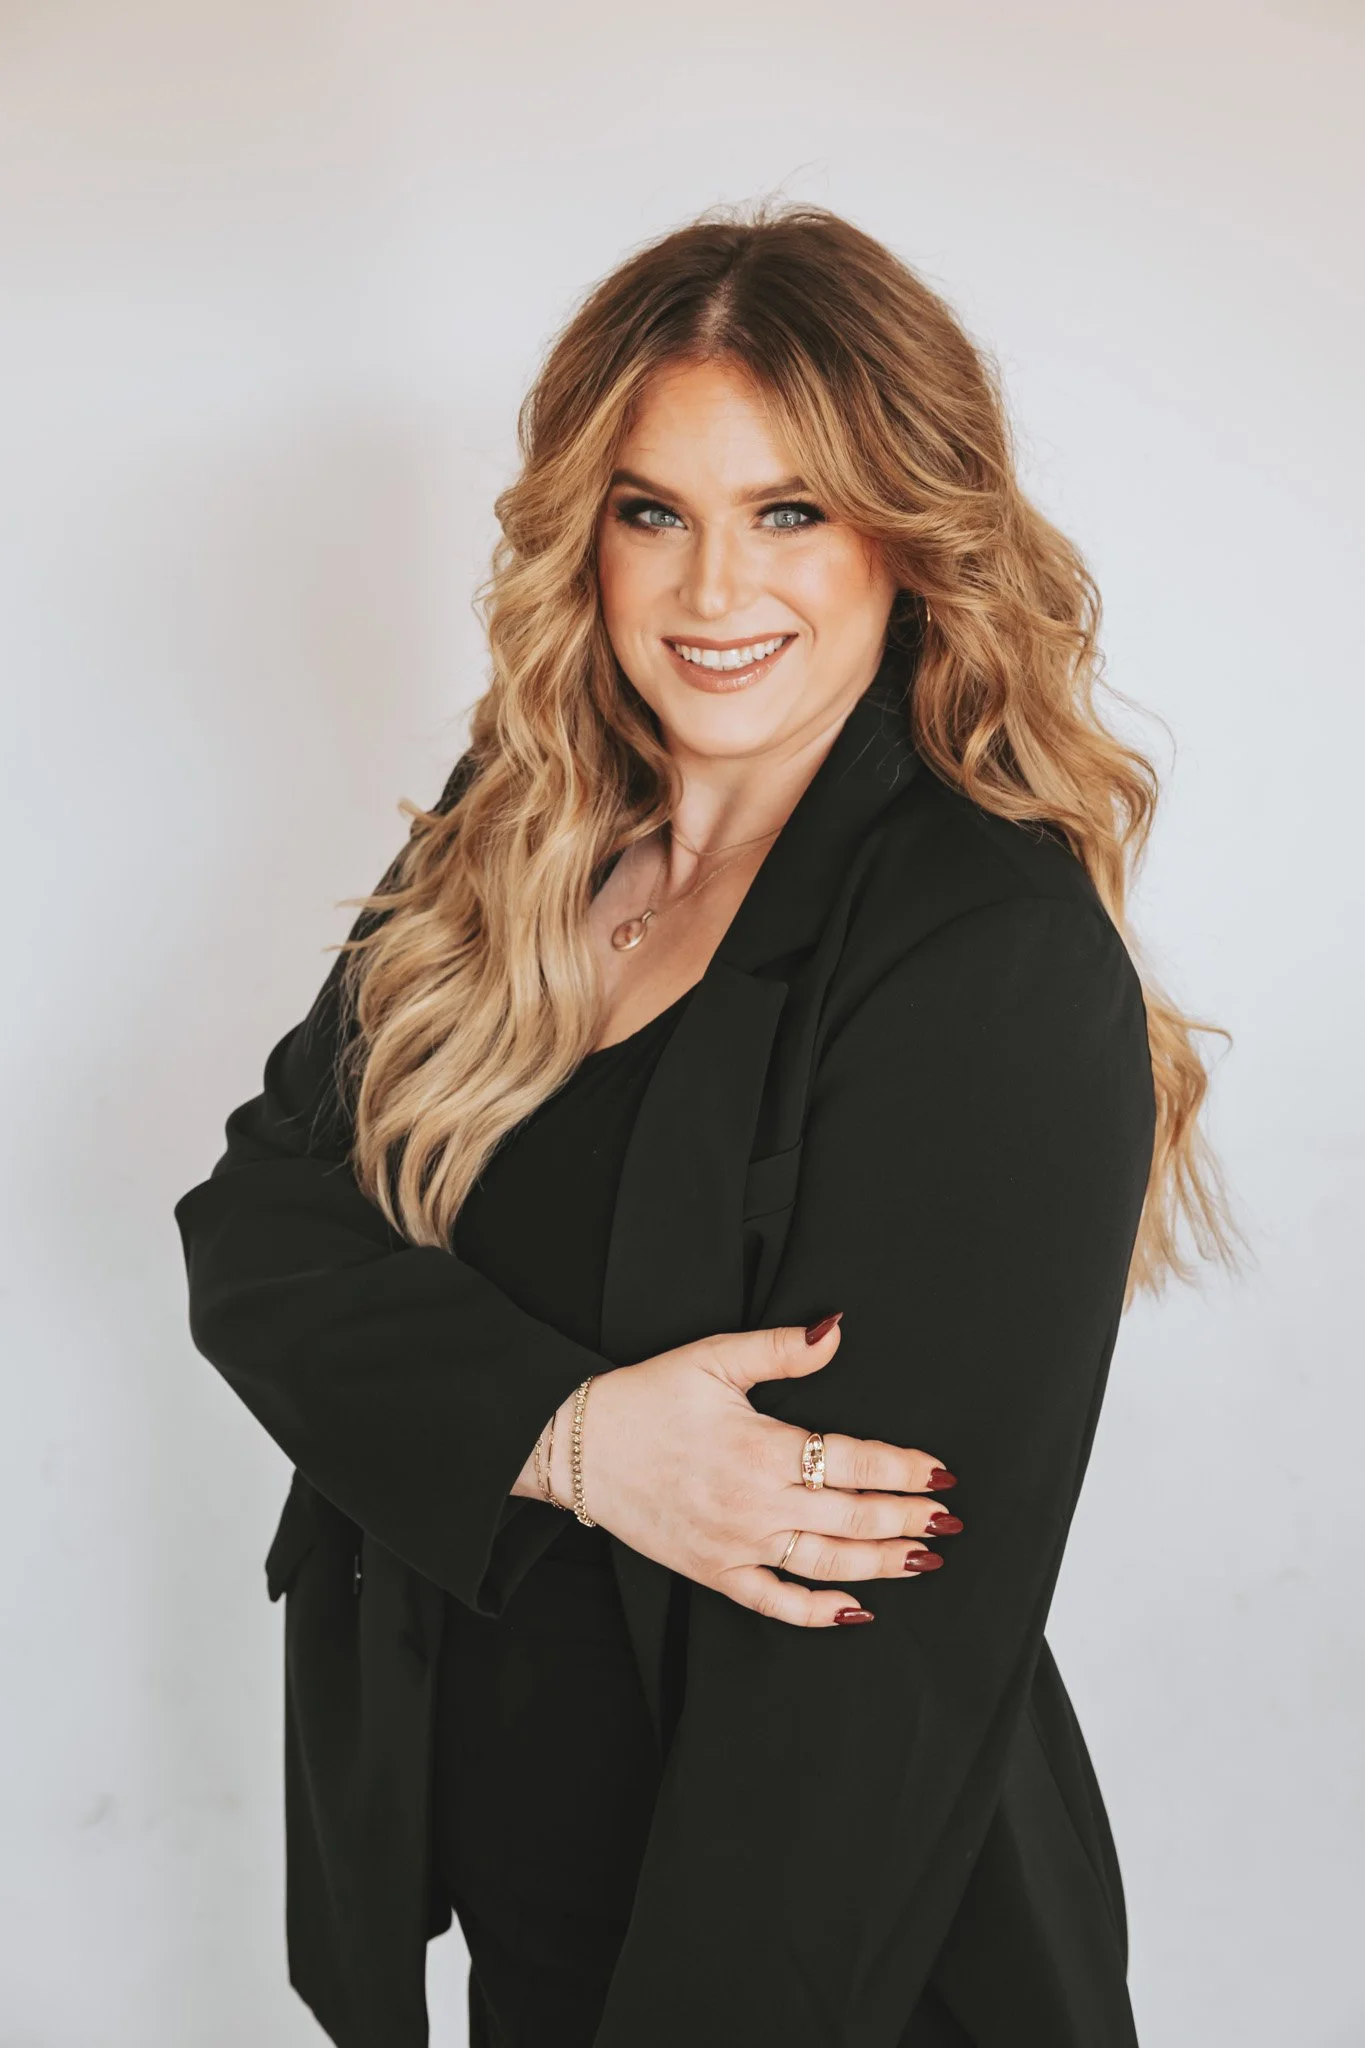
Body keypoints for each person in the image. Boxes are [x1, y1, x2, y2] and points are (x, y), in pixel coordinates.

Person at [173, 200, 1239, 2048]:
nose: (710, 591)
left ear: (913, 530)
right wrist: (573, 1440)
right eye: (653, 510)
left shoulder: (983, 949)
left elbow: (867, 1672)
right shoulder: (514, 832)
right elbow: (258, 1234)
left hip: (813, 1972)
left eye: (791, 512)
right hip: (530, 1908)